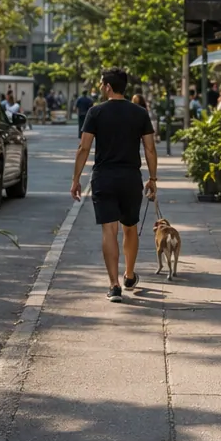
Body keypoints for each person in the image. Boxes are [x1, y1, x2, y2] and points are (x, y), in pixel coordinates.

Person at [71, 68, 158, 302]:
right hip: (130, 178)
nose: (100, 87)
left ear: (108, 86)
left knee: (109, 230)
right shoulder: (140, 113)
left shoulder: (95, 112)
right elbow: (150, 148)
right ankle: (129, 274)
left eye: (101, 83)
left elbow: (84, 148)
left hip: (104, 178)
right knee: (130, 227)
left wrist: (76, 179)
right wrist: (153, 178)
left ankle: (114, 285)